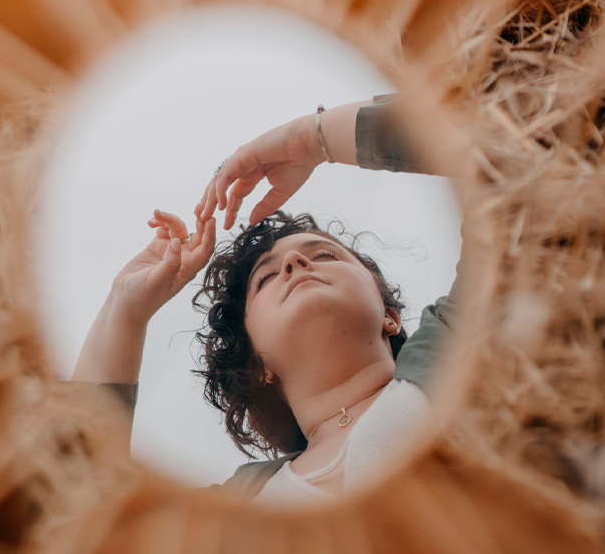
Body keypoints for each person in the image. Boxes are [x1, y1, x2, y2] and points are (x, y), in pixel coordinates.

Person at [69, 95, 461, 503]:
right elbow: (72, 500)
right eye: (267, 278)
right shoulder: (243, 505)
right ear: (256, 365)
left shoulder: (459, 355)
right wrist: (125, 308)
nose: (294, 262)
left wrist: (313, 138)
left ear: (389, 317)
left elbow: (493, 136)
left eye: (324, 255)